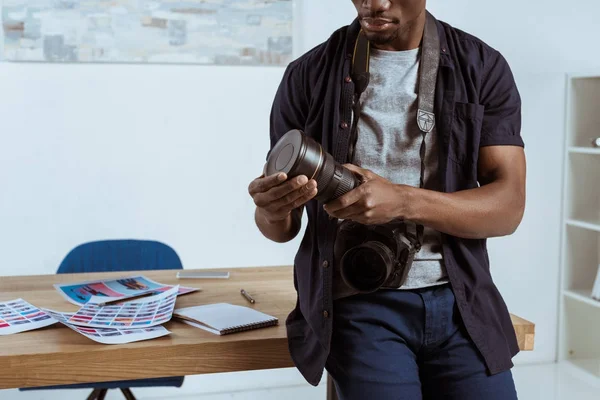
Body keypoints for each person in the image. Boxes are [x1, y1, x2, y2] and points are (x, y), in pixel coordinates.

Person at [247, 1, 526, 399]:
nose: (374, 3)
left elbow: (509, 209)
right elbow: (280, 230)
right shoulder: (308, 75)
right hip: (358, 306)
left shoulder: (481, 66)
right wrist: (269, 209)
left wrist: (403, 202)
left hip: (462, 302)